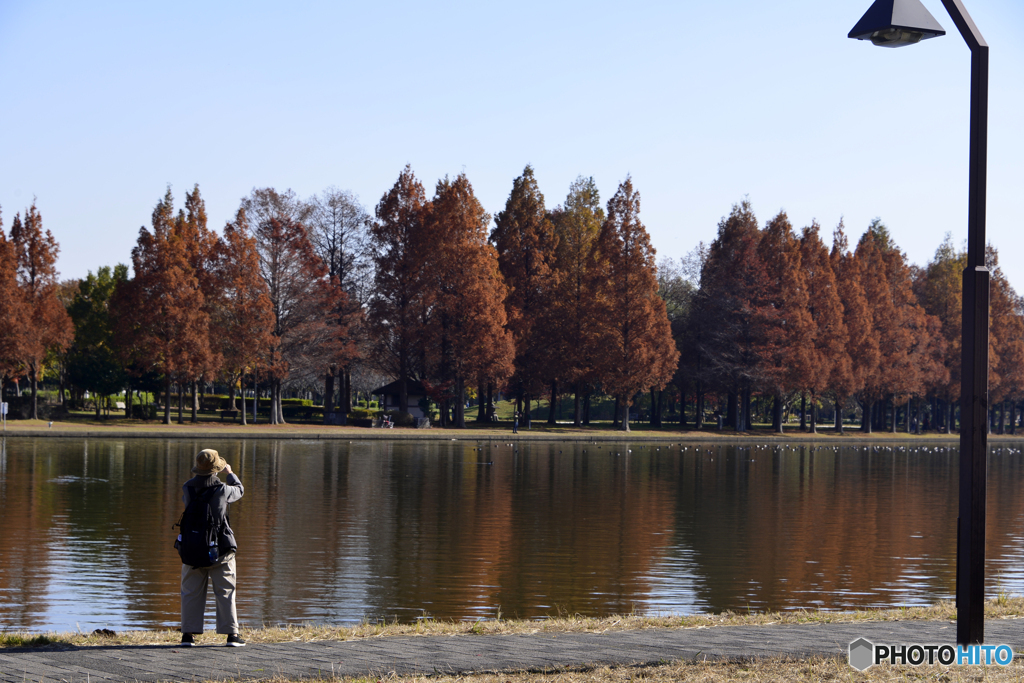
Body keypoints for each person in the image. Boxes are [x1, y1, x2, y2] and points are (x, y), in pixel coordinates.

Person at [179, 449, 246, 647]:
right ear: (216, 469)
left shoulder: (187, 488)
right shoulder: (224, 490)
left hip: (192, 548)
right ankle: (231, 636)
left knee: (190, 592)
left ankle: (188, 635)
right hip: (220, 549)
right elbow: (240, 490)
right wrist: (230, 473)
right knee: (226, 590)